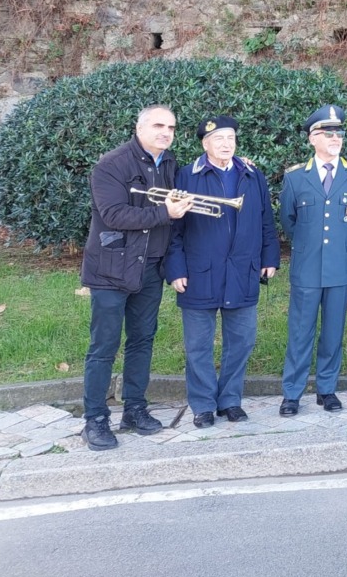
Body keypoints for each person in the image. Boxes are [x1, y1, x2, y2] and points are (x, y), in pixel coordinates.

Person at [79, 105, 192, 451]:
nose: (165, 132)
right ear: (139, 127)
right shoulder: (111, 164)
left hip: (149, 267)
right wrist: (164, 212)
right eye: (158, 125)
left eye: (171, 127)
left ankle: (134, 408)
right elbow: (112, 214)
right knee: (104, 347)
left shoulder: (169, 164)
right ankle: (95, 419)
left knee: (142, 341)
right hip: (111, 269)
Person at [164, 116, 279, 427]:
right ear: (205, 144)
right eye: (219, 139)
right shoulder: (187, 175)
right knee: (198, 345)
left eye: (231, 138)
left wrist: (270, 257)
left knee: (241, 341)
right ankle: (202, 405)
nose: (226, 144)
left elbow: (266, 221)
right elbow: (173, 230)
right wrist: (174, 268)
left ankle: (230, 400)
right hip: (198, 271)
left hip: (243, 269)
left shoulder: (252, 175)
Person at [278, 105, 347, 415]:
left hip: (341, 267)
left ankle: (327, 389)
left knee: (333, 332)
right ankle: (292, 393)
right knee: (300, 332)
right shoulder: (295, 178)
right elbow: (288, 220)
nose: (335, 138)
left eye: (339, 132)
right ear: (312, 138)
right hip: (307, 267)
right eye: (328, 133)